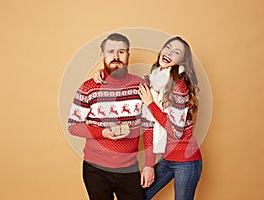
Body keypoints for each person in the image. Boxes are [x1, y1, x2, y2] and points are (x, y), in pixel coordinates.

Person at [68, 33, 155, 200]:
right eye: (110, 51)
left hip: (128, 169)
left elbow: (149, 127)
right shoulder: (88, 88)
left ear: (128, 55)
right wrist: (102, 133)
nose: (115, 57)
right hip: (95, 170)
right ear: (102, 55)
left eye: (121, 52)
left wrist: (149, 165)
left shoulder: (141, 86)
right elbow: (73, 125)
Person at [138, 37, 202, 200]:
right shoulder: (150, 82)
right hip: (167, 159)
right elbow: (148, 127)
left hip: (187, 161)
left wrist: (151, 104)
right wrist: (148, 165)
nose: (170, 53)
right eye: (168, 47)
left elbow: (176, 131)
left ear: (181, 61)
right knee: (139, 196)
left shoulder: (179, 86)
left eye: (177, 52)